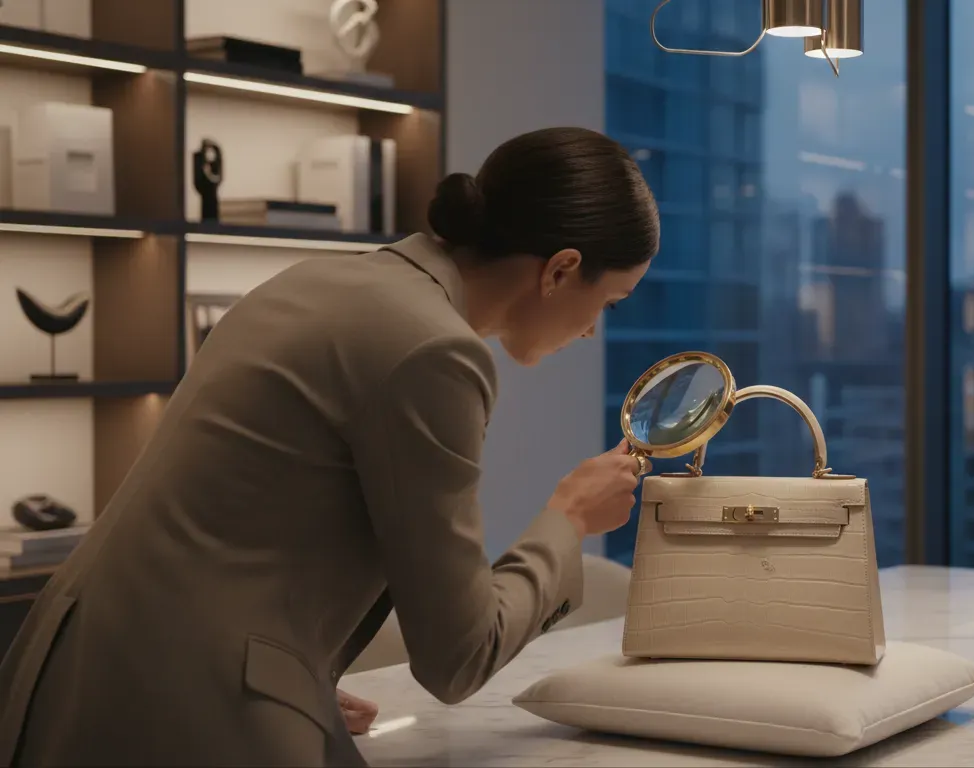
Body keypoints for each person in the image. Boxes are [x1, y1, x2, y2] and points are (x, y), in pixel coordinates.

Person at [0, 126, 660, 766]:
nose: (590, 334)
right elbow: (459, 656)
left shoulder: (323, 282)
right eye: (609, 302)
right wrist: (569, 517)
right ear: (562, 270)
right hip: (179, 707)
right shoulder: (435, 350)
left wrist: (292, 670)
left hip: (80, 672)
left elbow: (228, 532)